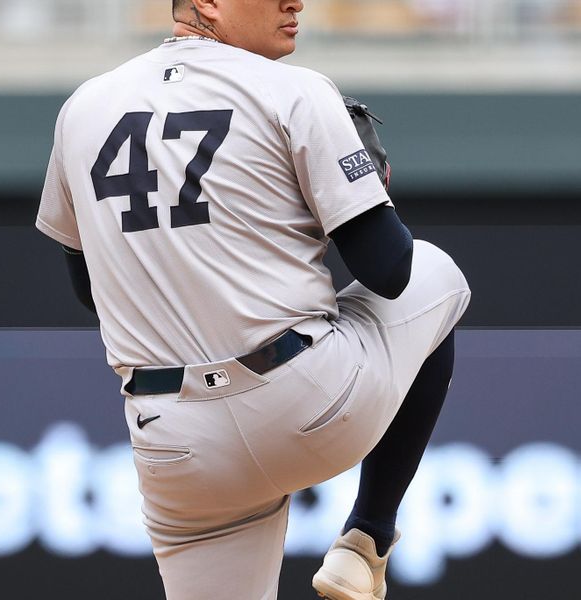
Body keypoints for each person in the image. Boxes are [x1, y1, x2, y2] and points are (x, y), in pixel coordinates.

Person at [36, 1, 470, 598]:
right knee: (434, 272)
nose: (295, 1)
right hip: (308, 403)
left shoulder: (83, 107)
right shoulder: (294, 90)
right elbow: (390, 270)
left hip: (175, 445)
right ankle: (368, 537)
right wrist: (364, 182)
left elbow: (93, 290)